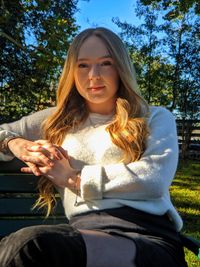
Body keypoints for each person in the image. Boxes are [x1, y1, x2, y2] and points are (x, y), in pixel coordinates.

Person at [0, 27, 188, 267]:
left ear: (120, 67)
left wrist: (72, 179)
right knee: (16, 249)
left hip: (146, 236)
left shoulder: (154, 117)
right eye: (83, 65)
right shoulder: (55, 120)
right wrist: (14, 143)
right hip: (84, 234)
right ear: (72, 71)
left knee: (29, 245)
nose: (94, 75)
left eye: (106, 63)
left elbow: (154, 178)